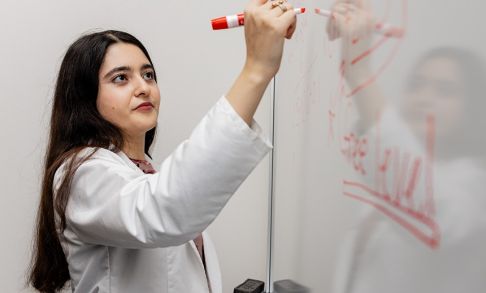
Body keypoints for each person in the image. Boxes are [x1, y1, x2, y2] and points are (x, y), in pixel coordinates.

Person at [28, 1, 298, 292]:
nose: (143, 87)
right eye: (121, 78)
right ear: (86, 98)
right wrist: (256, 70)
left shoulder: (141, 174)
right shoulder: (82, 174)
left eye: (148, 75)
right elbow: (166, 209)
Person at [327, 0, 486, 292]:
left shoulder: (473, 191)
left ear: (474, 107)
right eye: (417, 84)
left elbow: (426, 203)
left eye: (445, 90)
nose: (423, 98)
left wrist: (359, 73)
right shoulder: (399, 171)